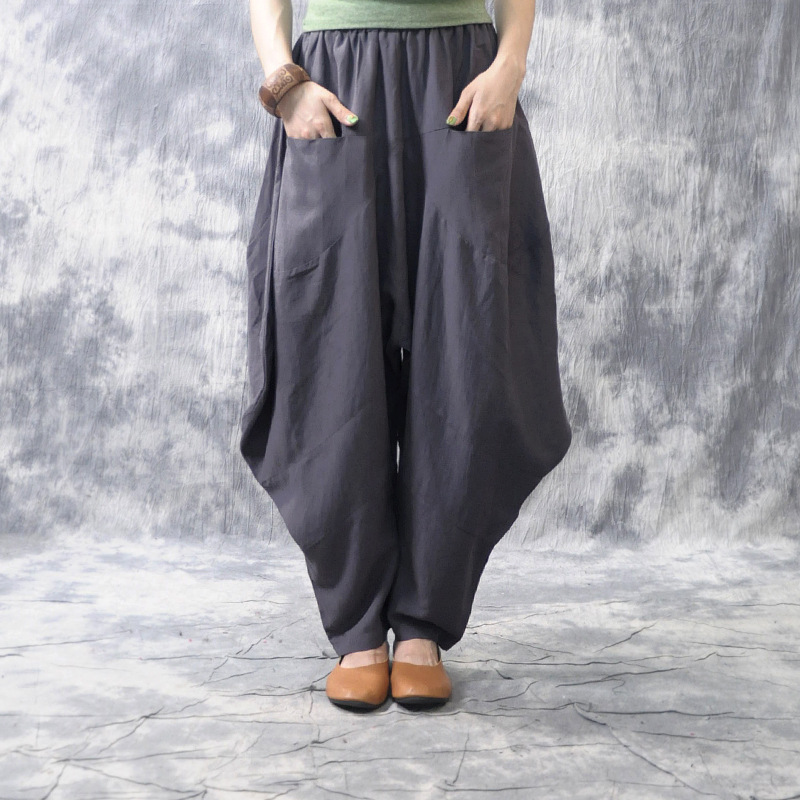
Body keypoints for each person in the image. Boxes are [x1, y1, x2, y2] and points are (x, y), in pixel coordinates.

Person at [241, 0, 572, 711]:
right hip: (336, 84)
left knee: (468, 354)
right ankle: (358, 628)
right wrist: (283, 80)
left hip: (460, 80)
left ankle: (423, 624)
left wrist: (510, 65)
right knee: (330, 360)